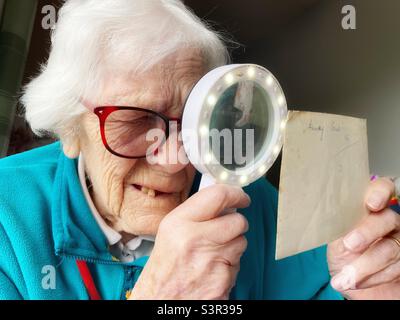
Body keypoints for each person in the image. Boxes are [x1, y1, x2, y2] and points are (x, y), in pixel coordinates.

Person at [0, 0, 399, 300]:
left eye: (193, 121)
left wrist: (363, 274)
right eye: (136, 121)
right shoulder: (8, 222)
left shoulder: (249, 199)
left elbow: (315, 285)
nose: (175, 159)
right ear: (71, 128)